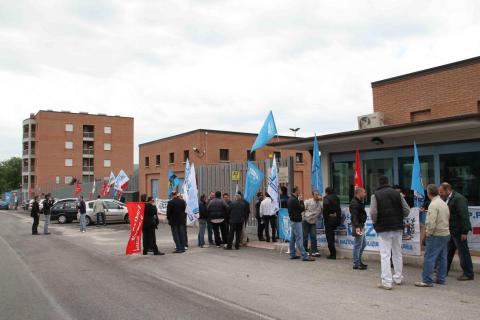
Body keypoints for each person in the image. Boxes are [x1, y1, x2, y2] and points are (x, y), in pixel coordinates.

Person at [370, 176, 410, 290]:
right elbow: (407, 210)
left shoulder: (375, 195)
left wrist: (375, 222)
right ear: (388, 183)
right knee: (397, 253)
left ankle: (387, 282)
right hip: (397, 227)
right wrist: (399, 217)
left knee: (385, 255)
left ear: (379, 183)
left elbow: (373, 212)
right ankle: (398, 277)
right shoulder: (398, 194)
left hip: (383, 228)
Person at [415, 184, 450, 287]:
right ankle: (441, 278)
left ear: (428, 193)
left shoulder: (433, 205)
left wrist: (428, 233)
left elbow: (431, 222)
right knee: (442, 257)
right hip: (445, 233)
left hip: (436, 234)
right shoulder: (443, 203)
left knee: (429, 257)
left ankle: (427, 280)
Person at [439, 183, 474, 281]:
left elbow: (464, 215)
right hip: (451, 230)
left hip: (458, 231)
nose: (440, 195)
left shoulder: (459, 199)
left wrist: (464, 231)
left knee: (463, 252)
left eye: (442, 192)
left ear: (448, 190)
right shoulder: (448, 199)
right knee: (448, 251)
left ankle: (468, 273)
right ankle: (443, 270)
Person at [287, 187, 315, 262]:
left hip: (293, 220)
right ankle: (304, 255)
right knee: (299, 238)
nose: (299, 192)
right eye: (298, 191)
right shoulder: (295, 200)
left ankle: (292, 254)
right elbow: (302, 208)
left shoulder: (290, 199)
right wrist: (301, 201)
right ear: (296, 191)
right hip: (296, 221)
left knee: (292, 238)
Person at [350, 187, 368, 270]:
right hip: (358, 226)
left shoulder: (359, 202)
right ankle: (356, 263)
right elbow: (354, 216)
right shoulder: (354, 203)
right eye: (364, 192)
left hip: (360, 225)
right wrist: (357, 227)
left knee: (363, 244)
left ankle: (358, 261)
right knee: (358, 245)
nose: (365, 194)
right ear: (359, 193)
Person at [323, 187, 342, 259]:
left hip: (329, 220)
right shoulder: (337, 198)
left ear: (327, 192)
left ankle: (332, 254)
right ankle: (333, 253)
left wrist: (326, 218)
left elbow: (325, 210)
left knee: (329, 237)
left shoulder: (326, 198)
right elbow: (338, 209)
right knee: (332, 235)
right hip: (336, 219)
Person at [302, 191, 322, 257]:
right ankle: (305, 250)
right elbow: (302, 209)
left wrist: (321, 200)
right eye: (316, 194)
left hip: (313, 221)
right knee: (305, 236)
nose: (317, 195)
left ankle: (314, 250)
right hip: (306, 221)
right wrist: (303, 217)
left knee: (313, 236)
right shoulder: (308, 201)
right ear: (313, 195)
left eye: (318, 194)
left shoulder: (319, 203)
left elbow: (320, 210)